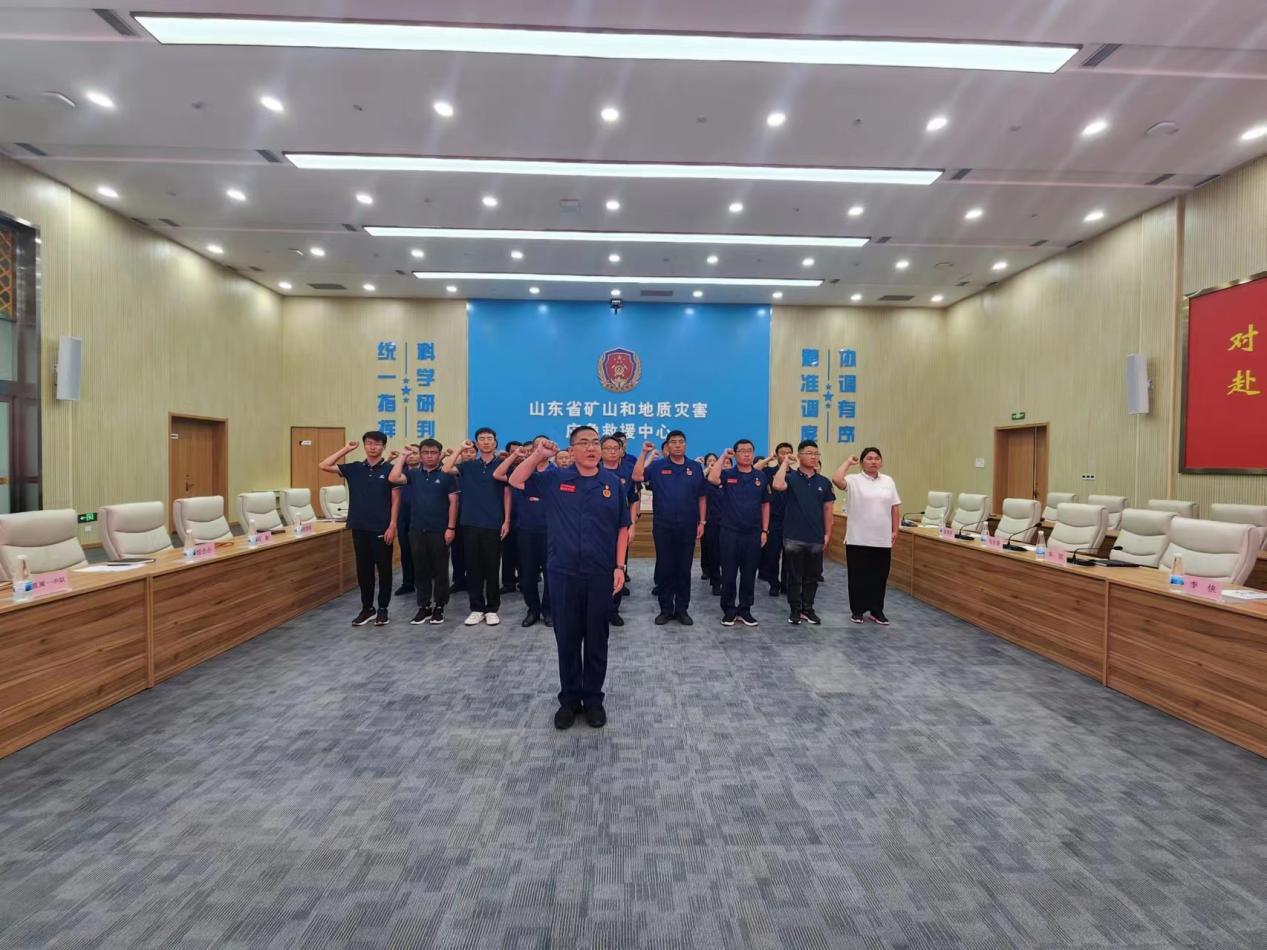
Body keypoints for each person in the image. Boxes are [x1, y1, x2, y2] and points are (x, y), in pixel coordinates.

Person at [509, 427, 630, 730]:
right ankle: (569, 700)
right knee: (567, 638)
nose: (591, 448)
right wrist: (538, 455)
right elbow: (515, 480)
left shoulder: (612, 483)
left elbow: (622, 527)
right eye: (583, 443)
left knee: (597, 638)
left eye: (595, 443)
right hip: (563, 572)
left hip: (600, 573)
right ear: (571, 449)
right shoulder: (555, 479)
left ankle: (593, 700)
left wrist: (619, 566)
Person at [320, 431, 400, 627]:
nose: (373, 447)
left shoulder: (390, 470)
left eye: (377, 444)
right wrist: (346, 449)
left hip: (381, 527)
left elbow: (396, 500)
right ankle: (367, 609)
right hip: (359, 526)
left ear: (384, 447)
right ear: (364, 446)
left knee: (384, 570)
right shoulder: (354, 468)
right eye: (369, 443)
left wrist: (392, 525)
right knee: (363, 571)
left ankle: (383, 609)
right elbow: (324, 465)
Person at [633, 430, 705, 625]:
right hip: (663, 525)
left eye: (681, 441)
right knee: (665, 568)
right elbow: (637, 475)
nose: (678, 445)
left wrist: (702, 522)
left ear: (686, 445)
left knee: (684, 568)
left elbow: (702, 496)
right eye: (673, 442)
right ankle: (665, 609)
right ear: (667, 446)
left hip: (688, 525)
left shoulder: (695, 467)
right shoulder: (658, 466)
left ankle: (682, 609)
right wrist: (644, 453)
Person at [442, 427, 511, 626]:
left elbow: (507, 494)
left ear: (495, 443)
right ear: (476, 443)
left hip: (493, 523)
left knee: (492, 567)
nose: (486, 441)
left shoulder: (502, 465)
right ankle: (476, 608)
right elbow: (446, 469)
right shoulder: (468, 465)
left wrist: (506, 520)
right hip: (470, 522)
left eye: (489, 438)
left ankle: (492, 609)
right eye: (482, 439)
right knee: (473, 568)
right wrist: (460, 448)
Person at [388, 439, 458, 625]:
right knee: (420, 569)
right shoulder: (413, 474)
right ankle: (424, 606)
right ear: (420, 455)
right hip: (417, 529)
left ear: (439, 454)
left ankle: (439, 606)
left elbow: (453, 503)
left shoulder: (447, 475)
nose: (429, 456)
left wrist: (451, 527)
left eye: (433, 453)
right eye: (425, 452)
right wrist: (403, 456)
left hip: (440, 529)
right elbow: (393, 478)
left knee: (440, 569)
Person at [833, 447, 901, 625]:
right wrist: (848, 462)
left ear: (881, 462)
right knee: (858, 577)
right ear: (862, 462)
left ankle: (877, 611)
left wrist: (895, 530)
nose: (873, 461)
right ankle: (857, 610)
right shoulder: (853, 480)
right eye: (869, 458)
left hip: (881, 539)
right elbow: (837, 480)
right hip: (858, 538)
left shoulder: (888, 481)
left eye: (877, 458)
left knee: (879, 577)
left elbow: (895, 507)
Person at [771, 440, 835, 625]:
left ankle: (808, 608)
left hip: (816, 536)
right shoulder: (791, 478)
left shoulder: (823, 482)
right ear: (799, 456)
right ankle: (795, 610)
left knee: (812, 576)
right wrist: (785, 462)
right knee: (794, 576)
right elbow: (777, 485)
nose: (813, 456)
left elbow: (828, 510)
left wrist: (827, 533)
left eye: (816, 453)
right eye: (809, 453)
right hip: (793, 536)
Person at [707, 441, 769, 626]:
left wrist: (765, 530)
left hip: (753, 533)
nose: (746, 454)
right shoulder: (728, 474)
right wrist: (723, 457)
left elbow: (765, 505)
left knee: (749, 574)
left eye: (750, 451)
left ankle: (745, 609)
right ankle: (729, 610)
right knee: (729, 573)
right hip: (730, 532)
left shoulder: (760, 477)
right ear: (735, 454)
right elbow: (712, 478)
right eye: (742, 451)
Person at [493, 437, 551, 627]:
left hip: (551, 531)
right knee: (527, 573)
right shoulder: (522, 471)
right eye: (536, 447)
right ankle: (533, 609)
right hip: (526, 529)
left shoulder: (556, 472)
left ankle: (549, 610)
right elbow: (499, 474)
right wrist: (516, 456)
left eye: (544, 446)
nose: (540, 450)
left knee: (551, 573)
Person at [600, 435, 641, 626]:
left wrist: (632, 524)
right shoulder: (593, 470)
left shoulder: (627, 472)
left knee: (618, 567)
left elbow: (633, 499)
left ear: (621, 451)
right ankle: (597, 608)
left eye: (615, 448)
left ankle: (613, 610)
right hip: (595, 529)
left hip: (619, 528)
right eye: (607, 448)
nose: (611, 451)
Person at [758, 442, 794, 595]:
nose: (785, 455)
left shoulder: (796, 475)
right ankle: (774, 583)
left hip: (791, 520)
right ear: (777, 455)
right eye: (782, 453)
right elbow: (754, 469)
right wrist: (768, 459)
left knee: (790, 555)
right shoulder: (768, 472)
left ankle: (786, 584)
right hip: (773, 520)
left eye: (788, 452)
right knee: (772, 554)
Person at [393, 443, 419, 596]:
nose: (411, 456)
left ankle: (424, 581)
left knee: (422, 551)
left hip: (421, 516)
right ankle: (408, 583)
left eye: (415, 453)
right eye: (408, 453)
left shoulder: (425, 472)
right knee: (405, 550)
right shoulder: (399, 472)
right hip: (403, 515)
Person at [500, 441, 523, 595]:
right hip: (507, 517)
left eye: (519, 451)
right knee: (507, 551)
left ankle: (524, 580)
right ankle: (508, 583)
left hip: (525, 517)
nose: (517, 454)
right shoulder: (505, 470)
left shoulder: (529, 468)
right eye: (513, 452)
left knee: (524, 552)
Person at [699, 452, 723, 594]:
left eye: (715, 460)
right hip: (709, 521)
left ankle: (723, 579)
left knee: (724, 553)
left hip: (726, 521)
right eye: (709, 461)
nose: (712, 462)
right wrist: (709, 469)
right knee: (711, 551)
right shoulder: (704, 480)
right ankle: (715, 581)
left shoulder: (723, 479)